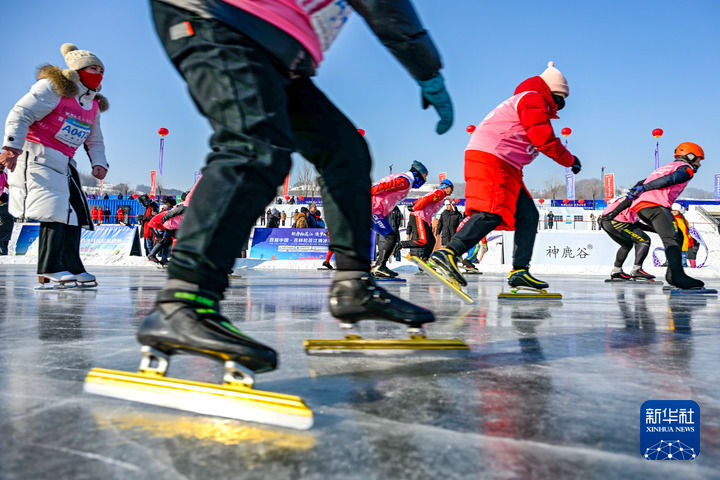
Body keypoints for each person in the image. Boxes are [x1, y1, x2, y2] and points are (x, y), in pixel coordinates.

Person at [138, 0, 452, 377]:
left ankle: (353, 284)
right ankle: (182, 302)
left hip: (278, 47)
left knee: (345, 152)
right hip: (215, 16)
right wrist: (426, 67)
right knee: (255, 146)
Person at [428, 61, 580, 291]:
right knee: (492, 211)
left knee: (528, 214)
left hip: (506, 165)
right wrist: (570, 160)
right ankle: (448, 253)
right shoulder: (533, 99)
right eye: (560, 98)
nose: (560, 106)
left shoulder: (529, 101)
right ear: (550, 92)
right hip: (492, 158)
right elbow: (543, 139)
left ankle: (520, 270)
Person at [0, 43, 108, 288]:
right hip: (36, 152)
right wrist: (11, 147)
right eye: (92, 68)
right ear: (77, 70)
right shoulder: (53, 88)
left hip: (64, 159)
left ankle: (71, 264)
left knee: (77, 213)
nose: (98, 74)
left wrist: (99, 162)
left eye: (101, 70)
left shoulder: (92, 104)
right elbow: (21, 113)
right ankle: (50, 266)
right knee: (55, 209)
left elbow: (95, 137)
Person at [625, 142, 705, 289]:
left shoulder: (665, 167)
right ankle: (678, 277)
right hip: (655, 205)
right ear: (690, 156)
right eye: (699, 159)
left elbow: (642, 181)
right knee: (672, 238)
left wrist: (638, 189)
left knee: (679, 236)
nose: (699, 164)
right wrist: (645, 188)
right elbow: (671, 179)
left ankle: (672, 274)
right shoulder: (686, 169)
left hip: (642, 207)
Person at [370, 161, 428, 277]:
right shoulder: (405, 181)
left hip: (375, 209)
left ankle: (377, 265)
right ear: (417, 174)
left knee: (389, 236)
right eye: (424, 177)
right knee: (391, 237)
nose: (425, 181)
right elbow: (382, 187)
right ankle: (379, 266)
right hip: (372, 208)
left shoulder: (404, 179)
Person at [598, 196, 654, 280]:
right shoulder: (642, 199)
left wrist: (655, 229)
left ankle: (616, 271)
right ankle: (637, 270)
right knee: (644, 241)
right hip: (616, 220)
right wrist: (657, 229)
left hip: (605, 221)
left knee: (626, 245)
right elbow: (637, 224)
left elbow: (635, 223)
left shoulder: (631, 196)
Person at [400, 179, 454, 261]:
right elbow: (426, 199)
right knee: (423, 240)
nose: (452, 190)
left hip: (424, 217)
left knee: (431, 241)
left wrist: (415, 204)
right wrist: (415, 207)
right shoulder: (440, 193)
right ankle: (400, 244)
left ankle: (425, 260)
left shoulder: (440, 194)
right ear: (446, 187)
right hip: (419, 215)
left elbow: (424, 198)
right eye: (451, 188)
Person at [671, 203, 697, 268]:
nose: (674, 211)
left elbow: (687, 231)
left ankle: (684, 269)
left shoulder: (683, 220)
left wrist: (690, 240)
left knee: (683, 257)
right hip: (675, 241)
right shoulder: (671, 219)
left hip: (684, 241)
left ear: (679, 211)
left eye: (676, 210)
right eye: (672, 210)